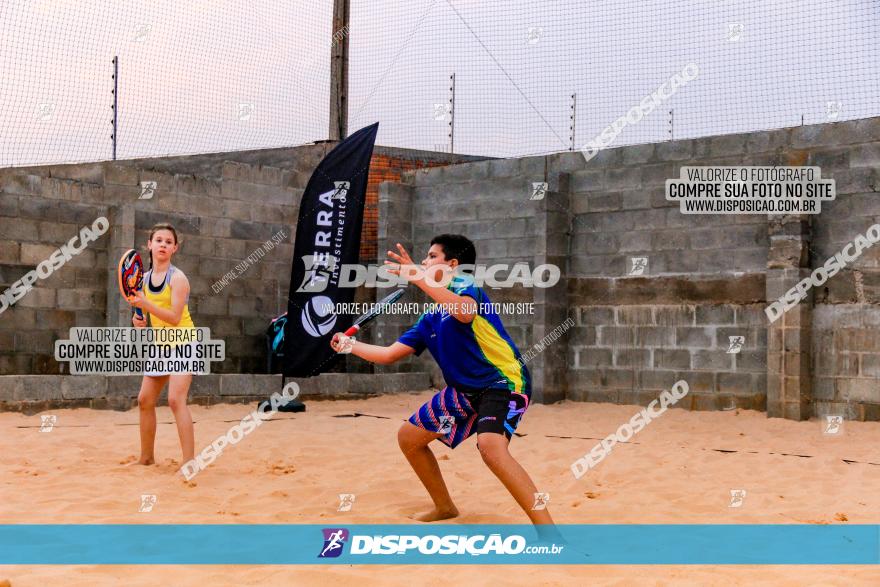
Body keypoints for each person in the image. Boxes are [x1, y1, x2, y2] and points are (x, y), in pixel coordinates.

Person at [330, 234, 557, 534]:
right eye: (424, 258)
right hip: (463, 391)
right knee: (409, 438)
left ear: (453, 264)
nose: (423, 262)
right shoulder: (429, 318)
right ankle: (444, 507)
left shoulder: (466, 288)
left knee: (491, 447)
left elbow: (464, 313)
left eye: (431, 257)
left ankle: (550, 533)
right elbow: (388, 355)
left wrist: (419, 278)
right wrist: (350, 346)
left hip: (501, 382)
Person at [128, 223, 196, 467]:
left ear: (175, 248)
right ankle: (146, 458)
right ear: (149, 245)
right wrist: (138, 320)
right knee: (145, 400)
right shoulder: (143, 280)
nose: (163, 245)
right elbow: (142, 316)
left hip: (184, 342)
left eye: (168, 242)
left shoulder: (178, 279)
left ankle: (189, 464)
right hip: (161, 345)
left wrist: (145, 306)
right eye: (158, 240)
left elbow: (175, 318)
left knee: (176, 400)